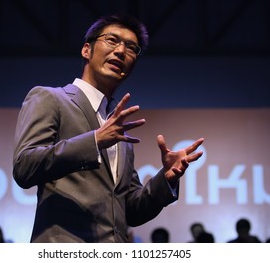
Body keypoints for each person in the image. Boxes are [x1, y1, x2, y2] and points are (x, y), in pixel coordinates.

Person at [13, 14, 204, 243]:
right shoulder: (50, 98)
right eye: (112, 40)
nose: (121, 51)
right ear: (86, 50)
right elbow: (25, 166)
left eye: (132, 47)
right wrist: (94, 141)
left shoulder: (118, 131)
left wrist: (166, 179)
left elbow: (130, 211)